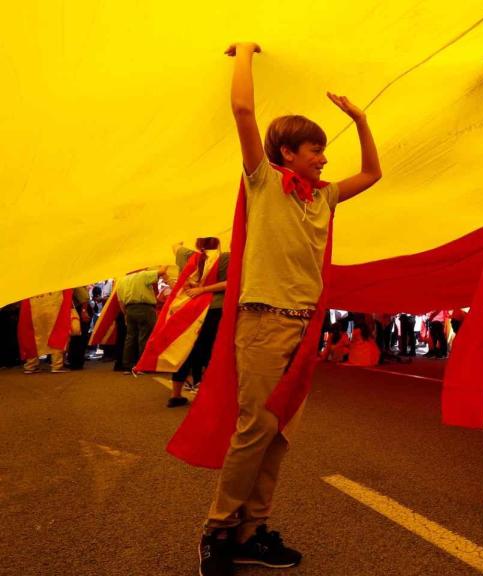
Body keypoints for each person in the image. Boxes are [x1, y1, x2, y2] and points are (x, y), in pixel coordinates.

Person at [196, 42, 382, 576]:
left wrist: (361, 120)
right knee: (254, 429)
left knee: (279, 435)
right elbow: (243, 111)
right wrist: (245, 52)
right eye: (315, 150)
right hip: (263, 320)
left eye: (323, 150)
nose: (323, 158)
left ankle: (252, 530)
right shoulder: (264, 182)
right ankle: (217, 529)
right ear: (287, 152)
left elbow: (373, 174)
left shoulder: (322, 197)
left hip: (303, 328)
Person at [166, 238, 230, 407]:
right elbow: (228, 283)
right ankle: (209, 394)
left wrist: (182, 242)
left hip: (191, 309)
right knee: (210, 351)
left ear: (197, 244)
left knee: (185, 350)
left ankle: (175, 394)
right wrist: (204, 289)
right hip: (215, 308)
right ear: (217, 243)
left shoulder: (187, 256)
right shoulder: (225, 257)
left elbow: (175, 245)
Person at [116, 267, 168, 374]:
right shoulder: (143, 275)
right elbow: (162, 271)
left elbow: (120, 301)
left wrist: (125, 313)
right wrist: (165, 264)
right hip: (145, 308)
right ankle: (143, 366)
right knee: (145, 337)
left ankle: (127, 366)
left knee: (130, 338)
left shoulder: (121, 281)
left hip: (129, 309)